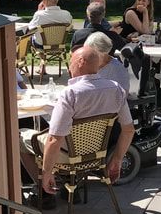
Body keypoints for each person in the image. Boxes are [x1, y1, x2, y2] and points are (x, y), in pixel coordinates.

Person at [36, 46, 136, 199]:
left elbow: (54, 139)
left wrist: (46, 172)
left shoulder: (70, 93)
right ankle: (70, 185)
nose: (69, 67)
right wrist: (117, 159)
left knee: (24, 138)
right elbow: (129, 130)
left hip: (69, 153)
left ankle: (44, 194)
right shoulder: (116, 89)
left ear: (80, 62)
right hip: (96, 152)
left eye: (71, 62)